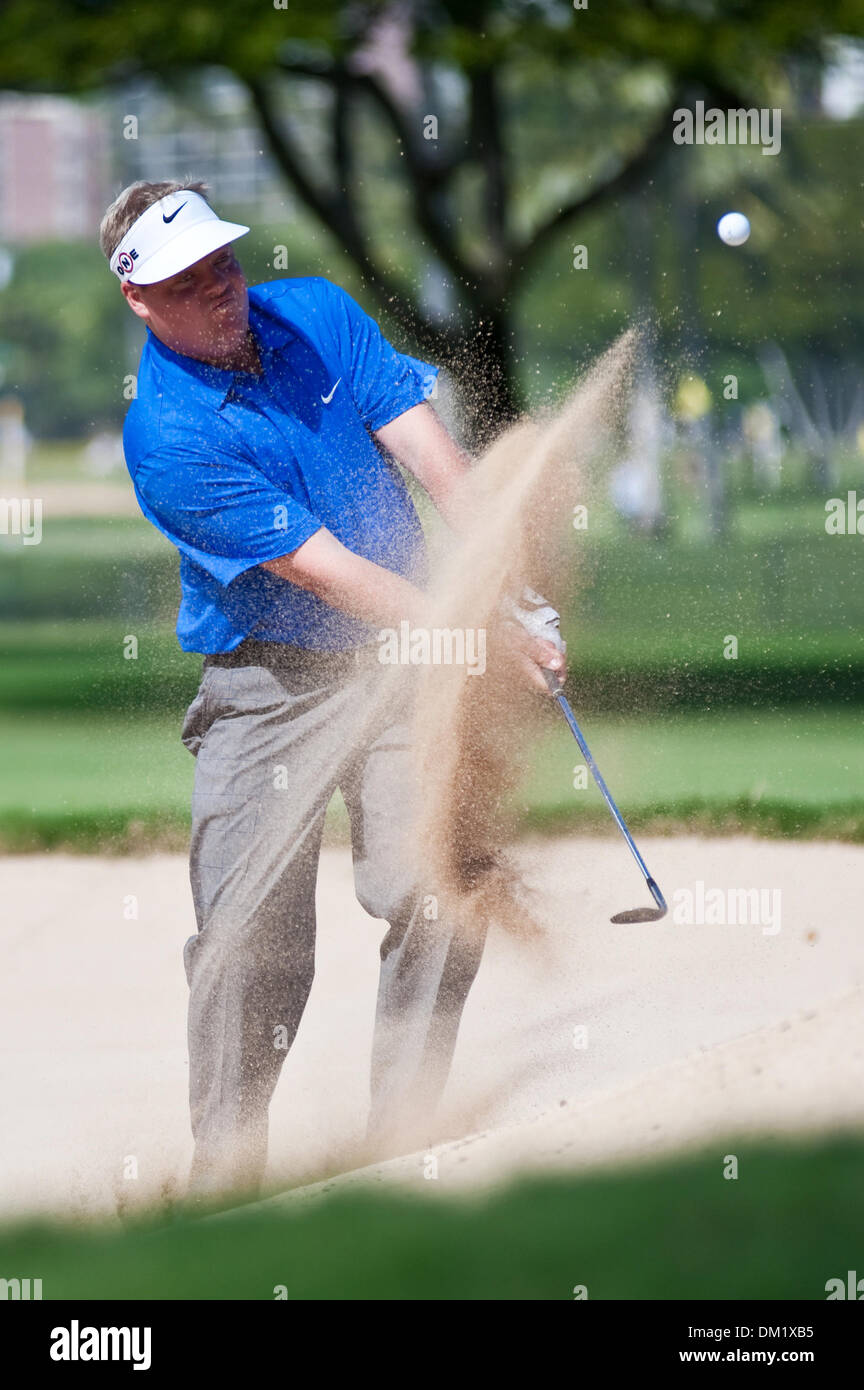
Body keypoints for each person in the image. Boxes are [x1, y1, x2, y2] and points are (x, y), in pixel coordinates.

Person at [99, 179, 566, 1194]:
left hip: (406, 666)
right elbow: (329, 575)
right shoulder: (168, 438)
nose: (220, 290)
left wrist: (516, 595)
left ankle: (404, 1140)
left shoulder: (313, 313)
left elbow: (438, 464)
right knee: (249, 934)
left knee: (435, 878)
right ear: (141, 300)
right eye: (187, 281)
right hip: (268, 690)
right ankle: (227, 1178)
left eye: (222, 262)